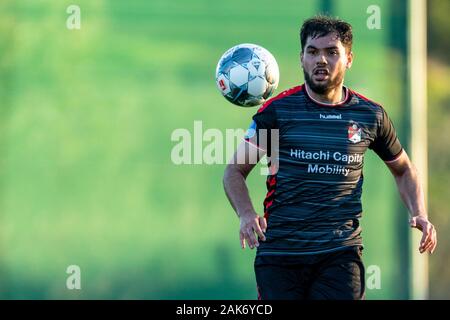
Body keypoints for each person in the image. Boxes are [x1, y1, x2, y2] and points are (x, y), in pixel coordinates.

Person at [222, 15, 437, 300]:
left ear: (349, 58)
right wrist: (246, 214)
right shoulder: (277, 112)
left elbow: (404, 170)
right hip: (281, 254)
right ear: (301, 58)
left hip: (340, 254)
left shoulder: (370, 115)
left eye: (331, 52)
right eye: (312, 52)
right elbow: (235, 171)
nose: (320, 60)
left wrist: (419, 212)